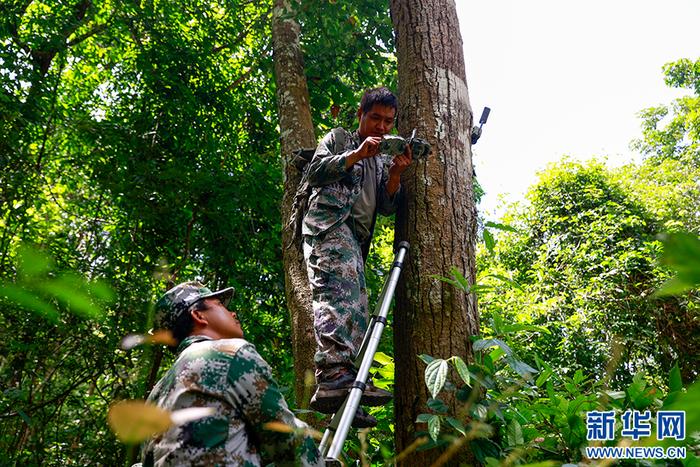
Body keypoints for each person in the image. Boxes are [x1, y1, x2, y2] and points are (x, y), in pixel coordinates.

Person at [302, 87, 412, 426]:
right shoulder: (339, 139)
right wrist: (356, 155)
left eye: (387, 121)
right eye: (375, 118)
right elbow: (314, 172)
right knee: (339, 298)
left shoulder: (381, 159)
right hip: (329, 225)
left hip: (355, 240)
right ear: (361, 115)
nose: (381, 126)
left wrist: (394, 173)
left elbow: (388, 205)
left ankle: (346, 389)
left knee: (357, 307)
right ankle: (333, 374)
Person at [140, 281, 322, 466]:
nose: (233, 313)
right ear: (198, 315)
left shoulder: (156, 395)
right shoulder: (229, 353)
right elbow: (285, 438)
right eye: (220, 305)